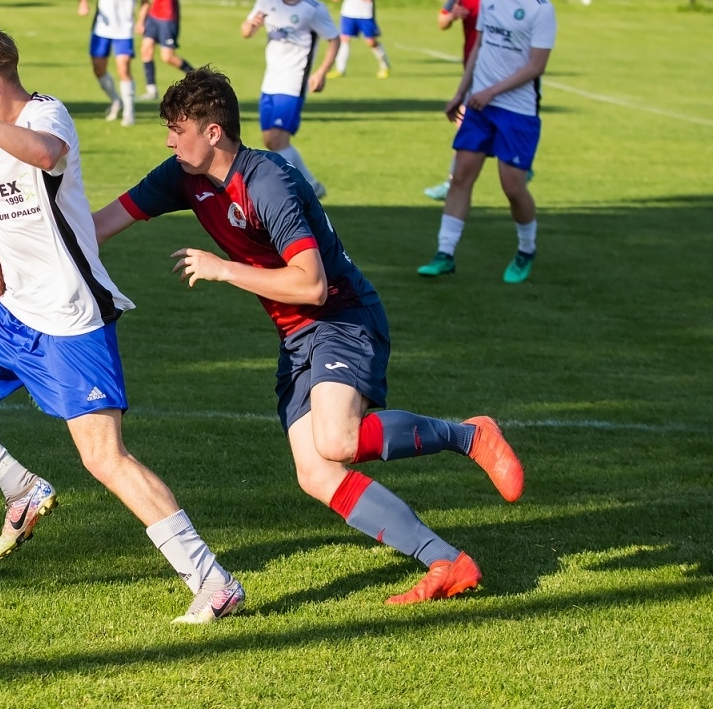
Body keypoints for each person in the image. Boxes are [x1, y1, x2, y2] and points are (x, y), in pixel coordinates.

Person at [92, 68, 525, 605]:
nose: (168, 140)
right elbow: (101, 223)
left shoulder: (266, 182)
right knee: (317, 472)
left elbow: (313, 285)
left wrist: (224, 269)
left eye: (178, 129)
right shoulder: (182, 175)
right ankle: (446, 561)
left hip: (341, 319)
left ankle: (469, 435)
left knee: (337, 439)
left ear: (212, 133)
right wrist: (22, 256)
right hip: (296, 336)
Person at [0, 18, 245, 624]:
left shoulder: (47, 116)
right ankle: (21, 487)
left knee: (106, 460)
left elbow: (43, 157)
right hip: (13, 310)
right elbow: (5, 209)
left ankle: (213, 582)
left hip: (70, 318)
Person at [419, 0, 555, 284]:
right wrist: (460, 93)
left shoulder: (541, 8)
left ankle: (527, 249)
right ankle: (444, 253)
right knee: (461, 176)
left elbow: (536, 66)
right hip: (479, 104)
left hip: (517, 111)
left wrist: (491, 92)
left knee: (512, 187)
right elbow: (479, 47)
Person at [240, 0, 337, 199]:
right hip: (270, 78)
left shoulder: (313, 8)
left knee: (277, 138)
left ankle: (286, 193)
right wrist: (251, 26)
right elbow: (245, 31)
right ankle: (312, 184)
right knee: (270, 140)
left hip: (294, 81)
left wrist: (321, 72)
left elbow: (334, 39)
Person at [425, 0, 505, 201]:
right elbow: (441, 20)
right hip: (471, 62)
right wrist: (452, 17)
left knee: (466, 121)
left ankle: (453, 182)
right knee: (477, 121)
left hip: (498, 65)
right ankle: (518, 164)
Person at [80, 0, 151, 126]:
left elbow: (146, 0)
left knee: (123, 68)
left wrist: (141, 21)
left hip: (124, 29)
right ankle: (116, 100)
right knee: (98, 69)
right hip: (102, 28)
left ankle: (129, 112)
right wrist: (83, 3)